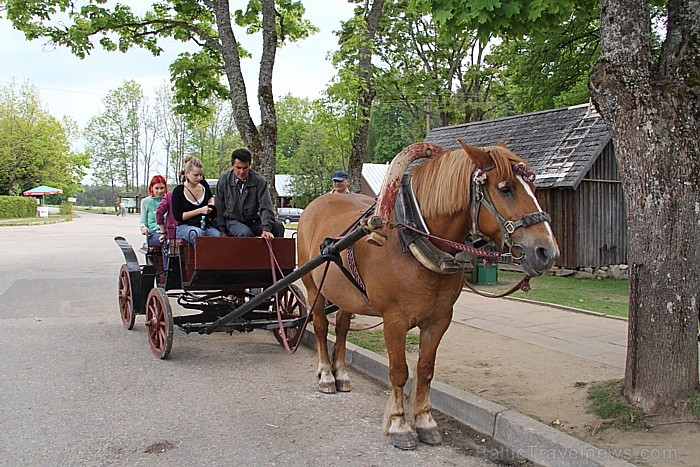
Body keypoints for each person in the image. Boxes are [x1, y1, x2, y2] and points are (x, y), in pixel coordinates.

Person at [215, 148, 284, 239]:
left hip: (254, 221)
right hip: (232, 221)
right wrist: (222, 230)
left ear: (249, 166)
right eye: (238, 168)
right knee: (245, 233)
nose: (242, 172)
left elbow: (266, 206)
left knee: (278, 226)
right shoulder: (224, 180)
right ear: (232, 166)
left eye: (245, 168)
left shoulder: (259, 181)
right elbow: (219, 207)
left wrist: (266, 229)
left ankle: (276, 253)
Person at [171, 156, 221, 244]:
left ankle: (214, 257)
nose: (199, 178)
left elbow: (210, 197)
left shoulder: (204, 185)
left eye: (201, 175)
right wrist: (200, 211)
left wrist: (211, 206)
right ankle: (200, 257)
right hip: (185, 226)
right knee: (197, 233)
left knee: (216, 234)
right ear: (186, 173)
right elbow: (179, 216)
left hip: (204, 224)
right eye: (196, 175)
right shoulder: (178, 191)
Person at [140, 175, 168, 247]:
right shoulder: (145, 202)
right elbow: (143, 222)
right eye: (157, 188)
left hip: (168, 232)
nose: (159, 191)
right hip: (153, 233)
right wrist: (143, 228)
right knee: (166, 242)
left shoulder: (169, 200)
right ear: (151, 188)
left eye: (162, 188)